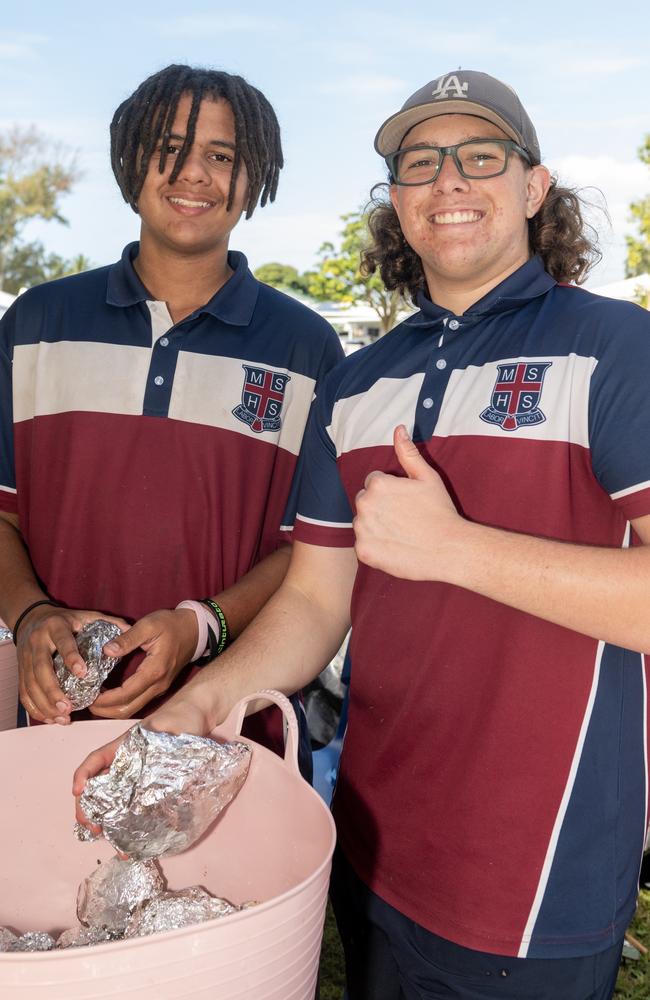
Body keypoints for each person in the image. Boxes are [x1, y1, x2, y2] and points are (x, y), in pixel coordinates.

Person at [75, 70, 650, 999]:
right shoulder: (359, 381)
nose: (448, 182)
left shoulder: (618, 347)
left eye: (480, 157)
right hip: (371, 849)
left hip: (535, 877)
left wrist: (457, 549)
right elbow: (312, 598)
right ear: (396, 202)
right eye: (420, 163)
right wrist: (189, 712)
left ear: (535, 188)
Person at [0, 63, 342, 763]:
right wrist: (29, 613)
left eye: (222, 156)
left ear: (254, 179)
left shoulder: (307, 346)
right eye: (169, 149)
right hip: (54, 726)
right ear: (130, 161)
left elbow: (309, 557)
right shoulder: (37, 322)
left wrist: (201, 626)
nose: (194, 175)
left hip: (233, 734)